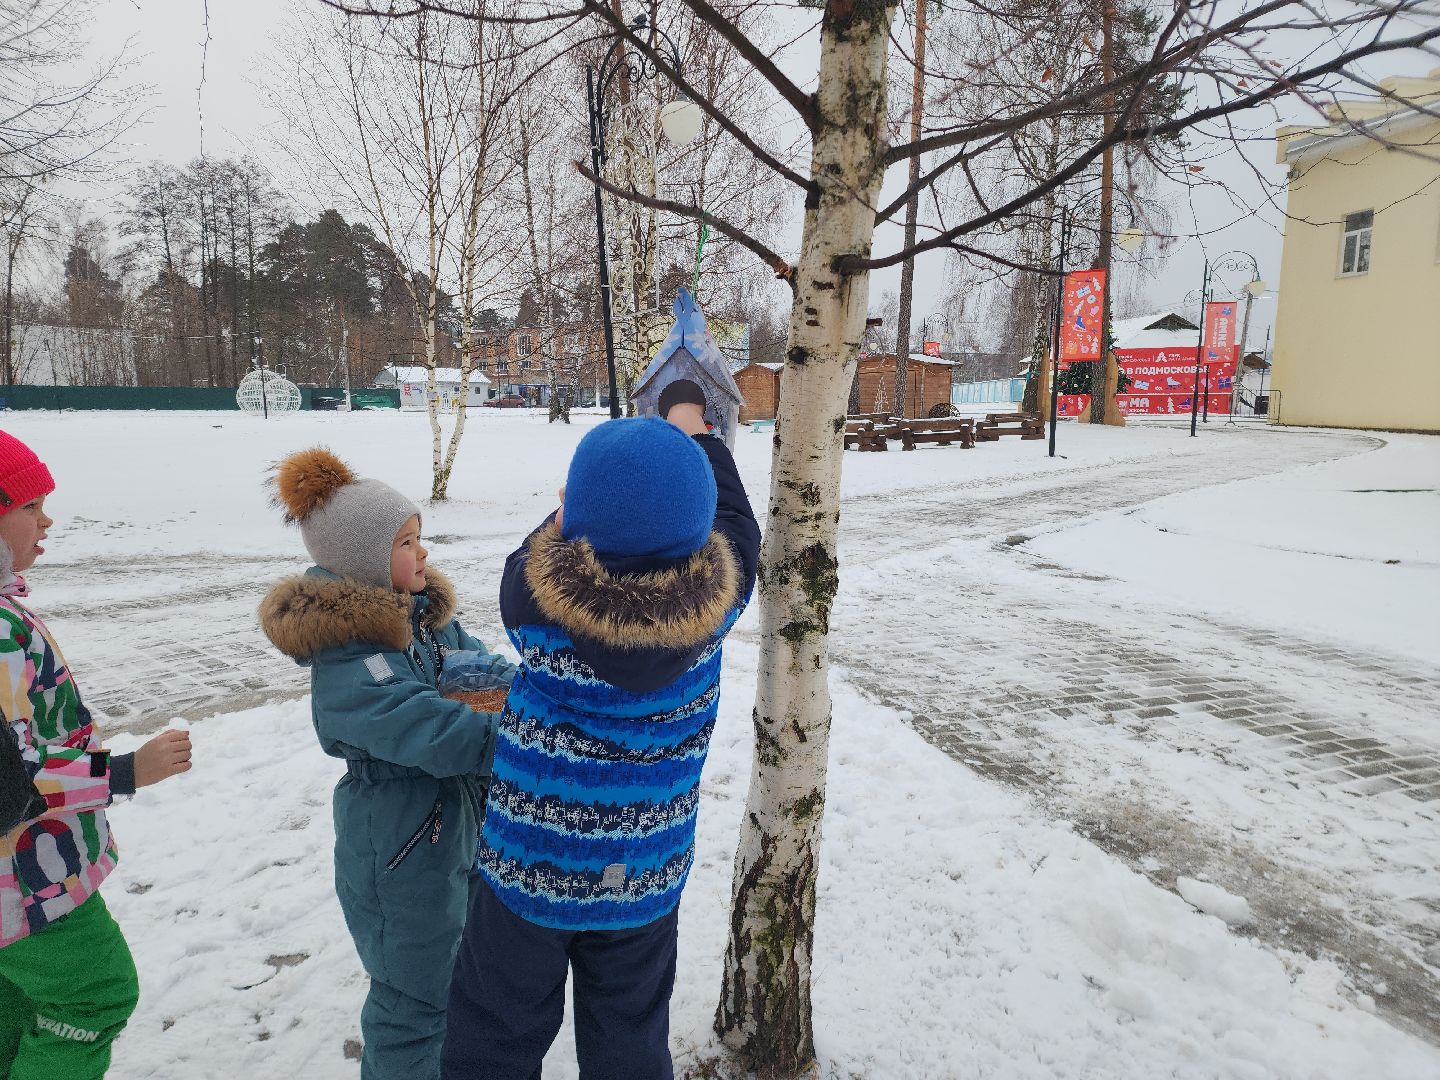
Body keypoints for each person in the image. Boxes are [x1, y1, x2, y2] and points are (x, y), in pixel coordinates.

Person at [443, 381, 762, 1079]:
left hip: (526, 870)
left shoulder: (530, 606)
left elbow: (542, 547)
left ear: (571, 521)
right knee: (629, 1042)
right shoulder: (713, 612)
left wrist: (575, 507)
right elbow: (742, 531)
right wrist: (698, 434)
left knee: (492, 1039)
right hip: (642, 877)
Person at [258, 448, 516, 1080]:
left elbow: (483, 672)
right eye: (406, 542)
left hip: (456, 828)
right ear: (366, 563)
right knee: (412, 1000)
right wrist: (516, 738)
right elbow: (422, 725)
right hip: (397, 847)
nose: (422, 552)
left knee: (461, 978)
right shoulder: (349, 654)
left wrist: (537, 699)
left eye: (420, 537)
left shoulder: (429, 622)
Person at [0, 430, 193, 1080]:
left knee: (16, 1009)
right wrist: (131, 772)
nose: (46, 518)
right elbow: (17, 784)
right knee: (94, 995)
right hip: (25, 882)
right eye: (30, 505)